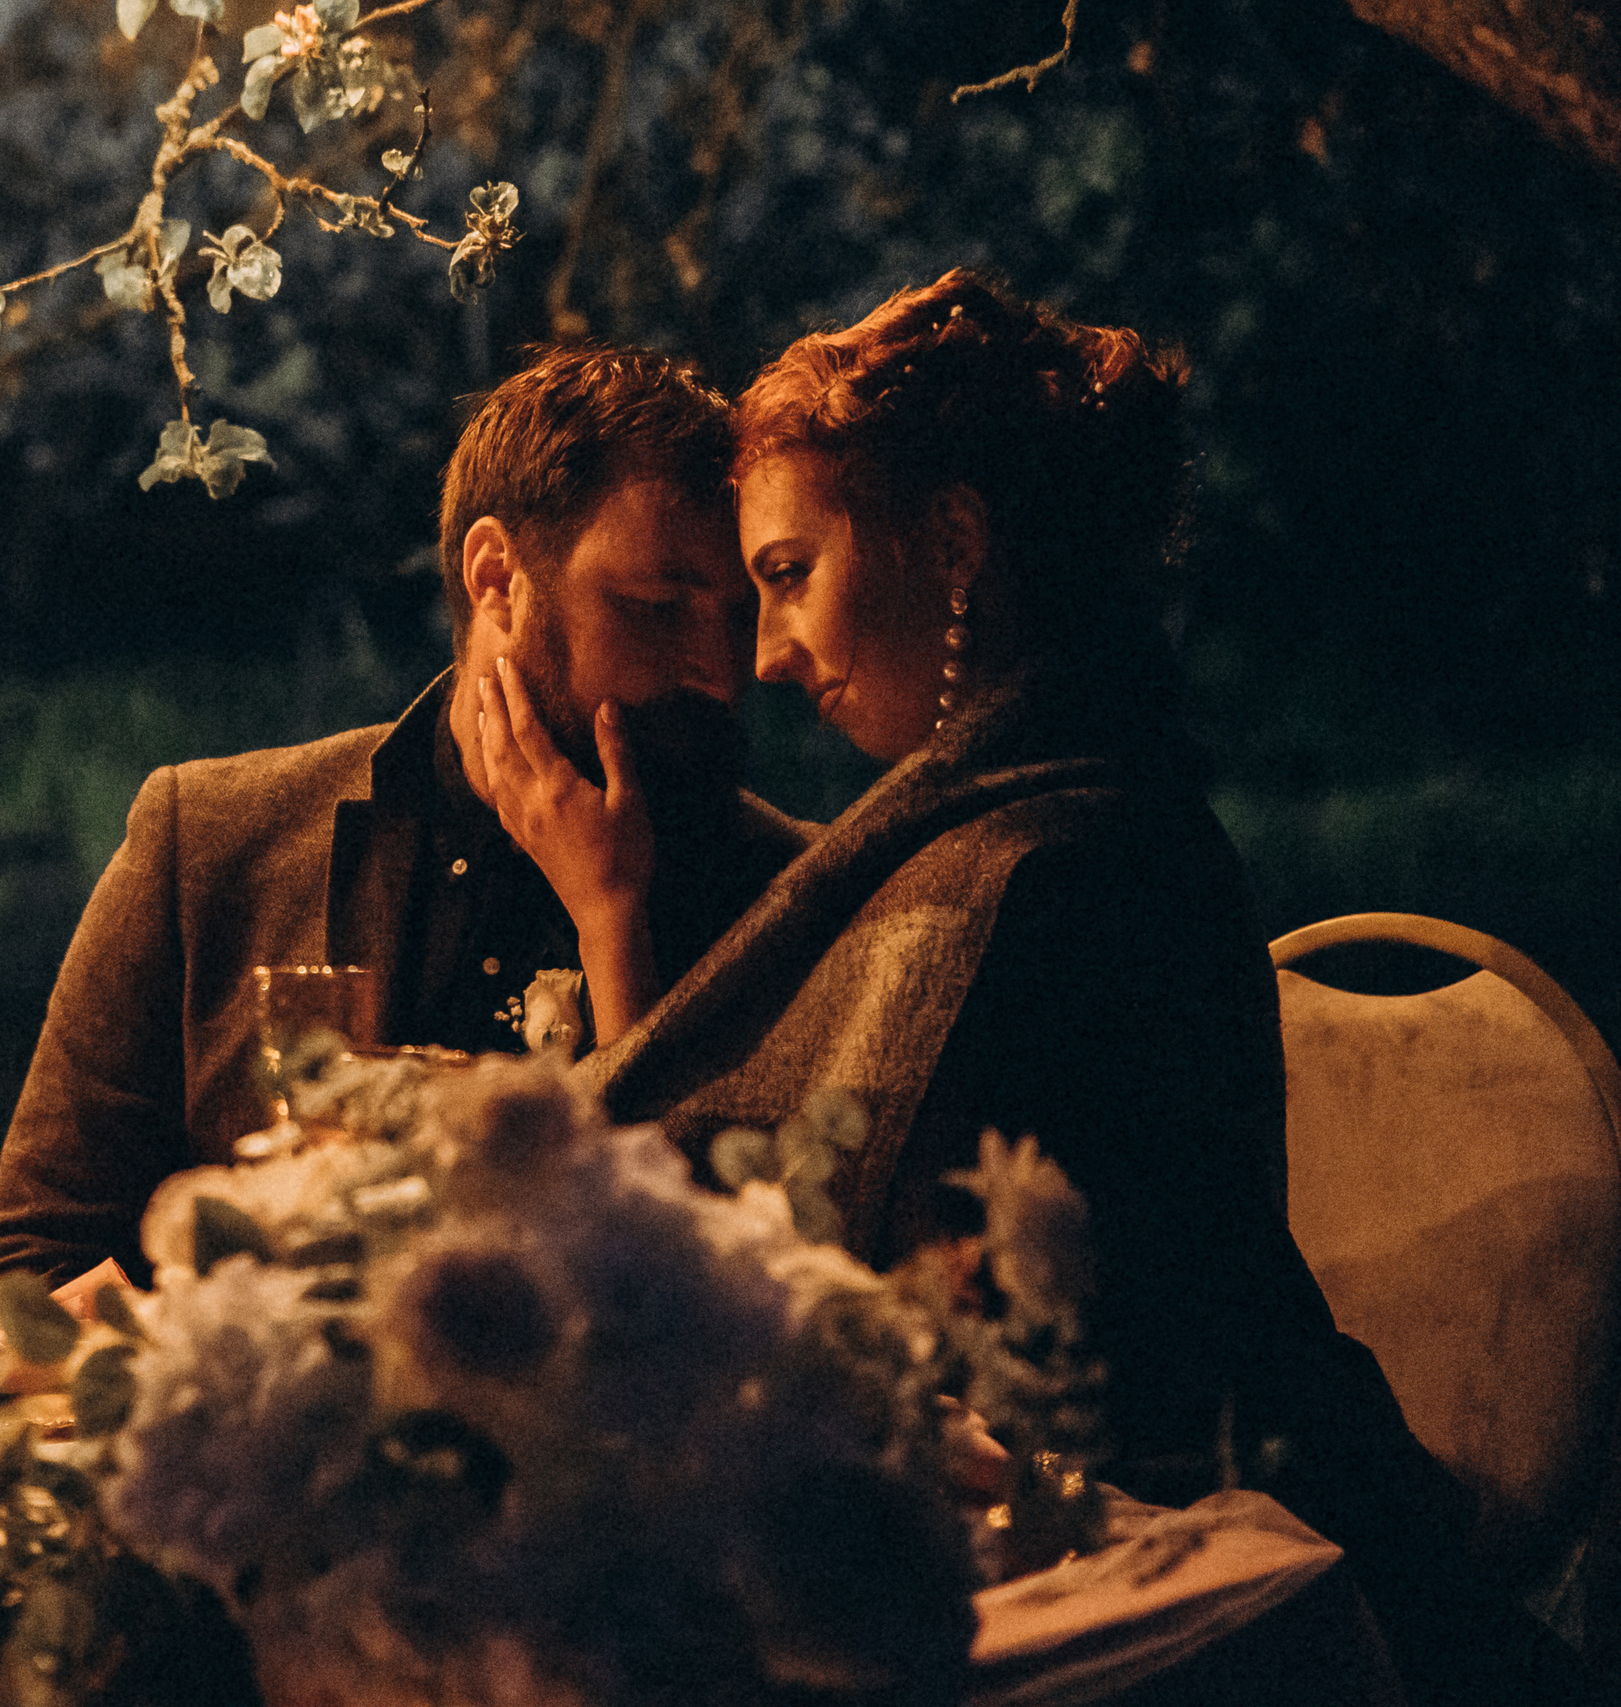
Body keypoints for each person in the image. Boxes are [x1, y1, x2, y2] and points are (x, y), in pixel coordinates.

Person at [487, 269, 1587, 1704]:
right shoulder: (993, 836)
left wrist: (609, 921)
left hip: (1140, 1587)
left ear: (953, 541)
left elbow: (751, 1290)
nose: (763, 655)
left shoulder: (1060, 874)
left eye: (785, 573)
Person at [0, 343, 809, 1288]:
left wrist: (614, 917)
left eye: (739, 616)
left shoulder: (795, 897)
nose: (721, 669)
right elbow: (31, 1266)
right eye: (658, 607)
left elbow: (730, 1317)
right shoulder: (208, 839)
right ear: (496, 575)